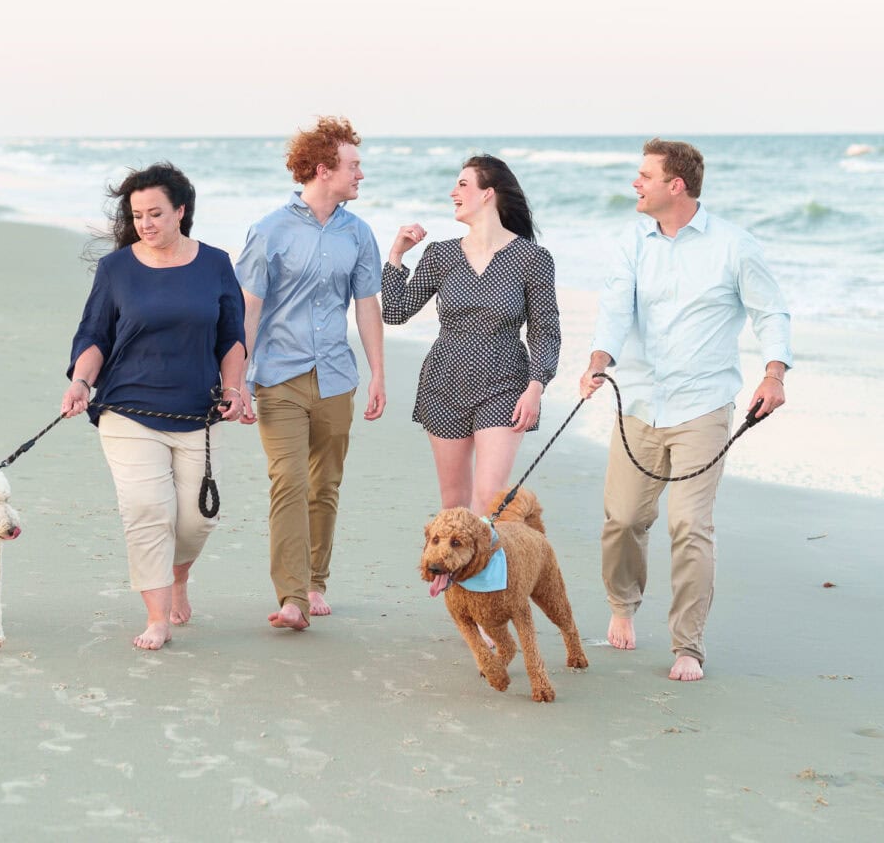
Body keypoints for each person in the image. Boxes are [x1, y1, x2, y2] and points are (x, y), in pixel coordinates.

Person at [579, 138, 791, 682]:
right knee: (624, 519)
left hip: (703, 407)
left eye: (645, 175)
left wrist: (774, 373)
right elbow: (614, 308)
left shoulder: (734, 246)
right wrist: (600, 359)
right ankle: (623, 605)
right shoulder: (632, 241)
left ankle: (687, 645)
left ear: (676, 186)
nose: (636, 183)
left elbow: (771, 314)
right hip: (642, 402)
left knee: (689, 524)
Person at [62, 163, 248, 651]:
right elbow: (94, 335)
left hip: (196, 413)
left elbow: (231, 337)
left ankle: (177, 576)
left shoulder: (215, 264)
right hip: (127, 408)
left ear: (180, 211)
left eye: (156, 213)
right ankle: (156, 616)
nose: (145, 223)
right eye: (138, 215)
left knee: (197, 518)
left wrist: (235, 388)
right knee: (148, 510)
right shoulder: (116, 268)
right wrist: (82, 380)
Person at [236, 116, 385, 632]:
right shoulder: (270, 230)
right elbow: (249, 309)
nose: (361, 174)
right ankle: (292, 596)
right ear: (324, 169)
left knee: (325, 487)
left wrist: (378, 374)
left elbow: (367, 306)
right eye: (354, 166)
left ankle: (317, 579)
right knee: (289, 482)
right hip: (279, 376)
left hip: (337, 378)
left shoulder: (359, 234)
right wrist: (238, 380)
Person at [382, 154, 560, 516]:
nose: (453, 192)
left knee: (489, 501)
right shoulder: (441, 255)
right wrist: (397, 255)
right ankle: (449, 575)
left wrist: (536, 385)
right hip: (444, 383)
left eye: (462, 184)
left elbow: (546, 330)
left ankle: (491, 574)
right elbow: (395, 311)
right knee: (454, 505)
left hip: (505, 384)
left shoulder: (532, 258)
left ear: (488, 194)